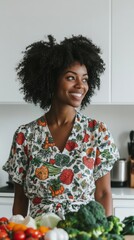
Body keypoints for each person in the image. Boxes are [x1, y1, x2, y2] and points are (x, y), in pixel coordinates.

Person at [3, 35, 119, 219]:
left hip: (82, 234)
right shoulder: (25, 135)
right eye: (71, 78)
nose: (80, 85)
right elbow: (20, 199)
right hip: (40, 233)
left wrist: (104, 234)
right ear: (50, 80)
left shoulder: (97, 131)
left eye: (85, 79)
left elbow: (103, 194)